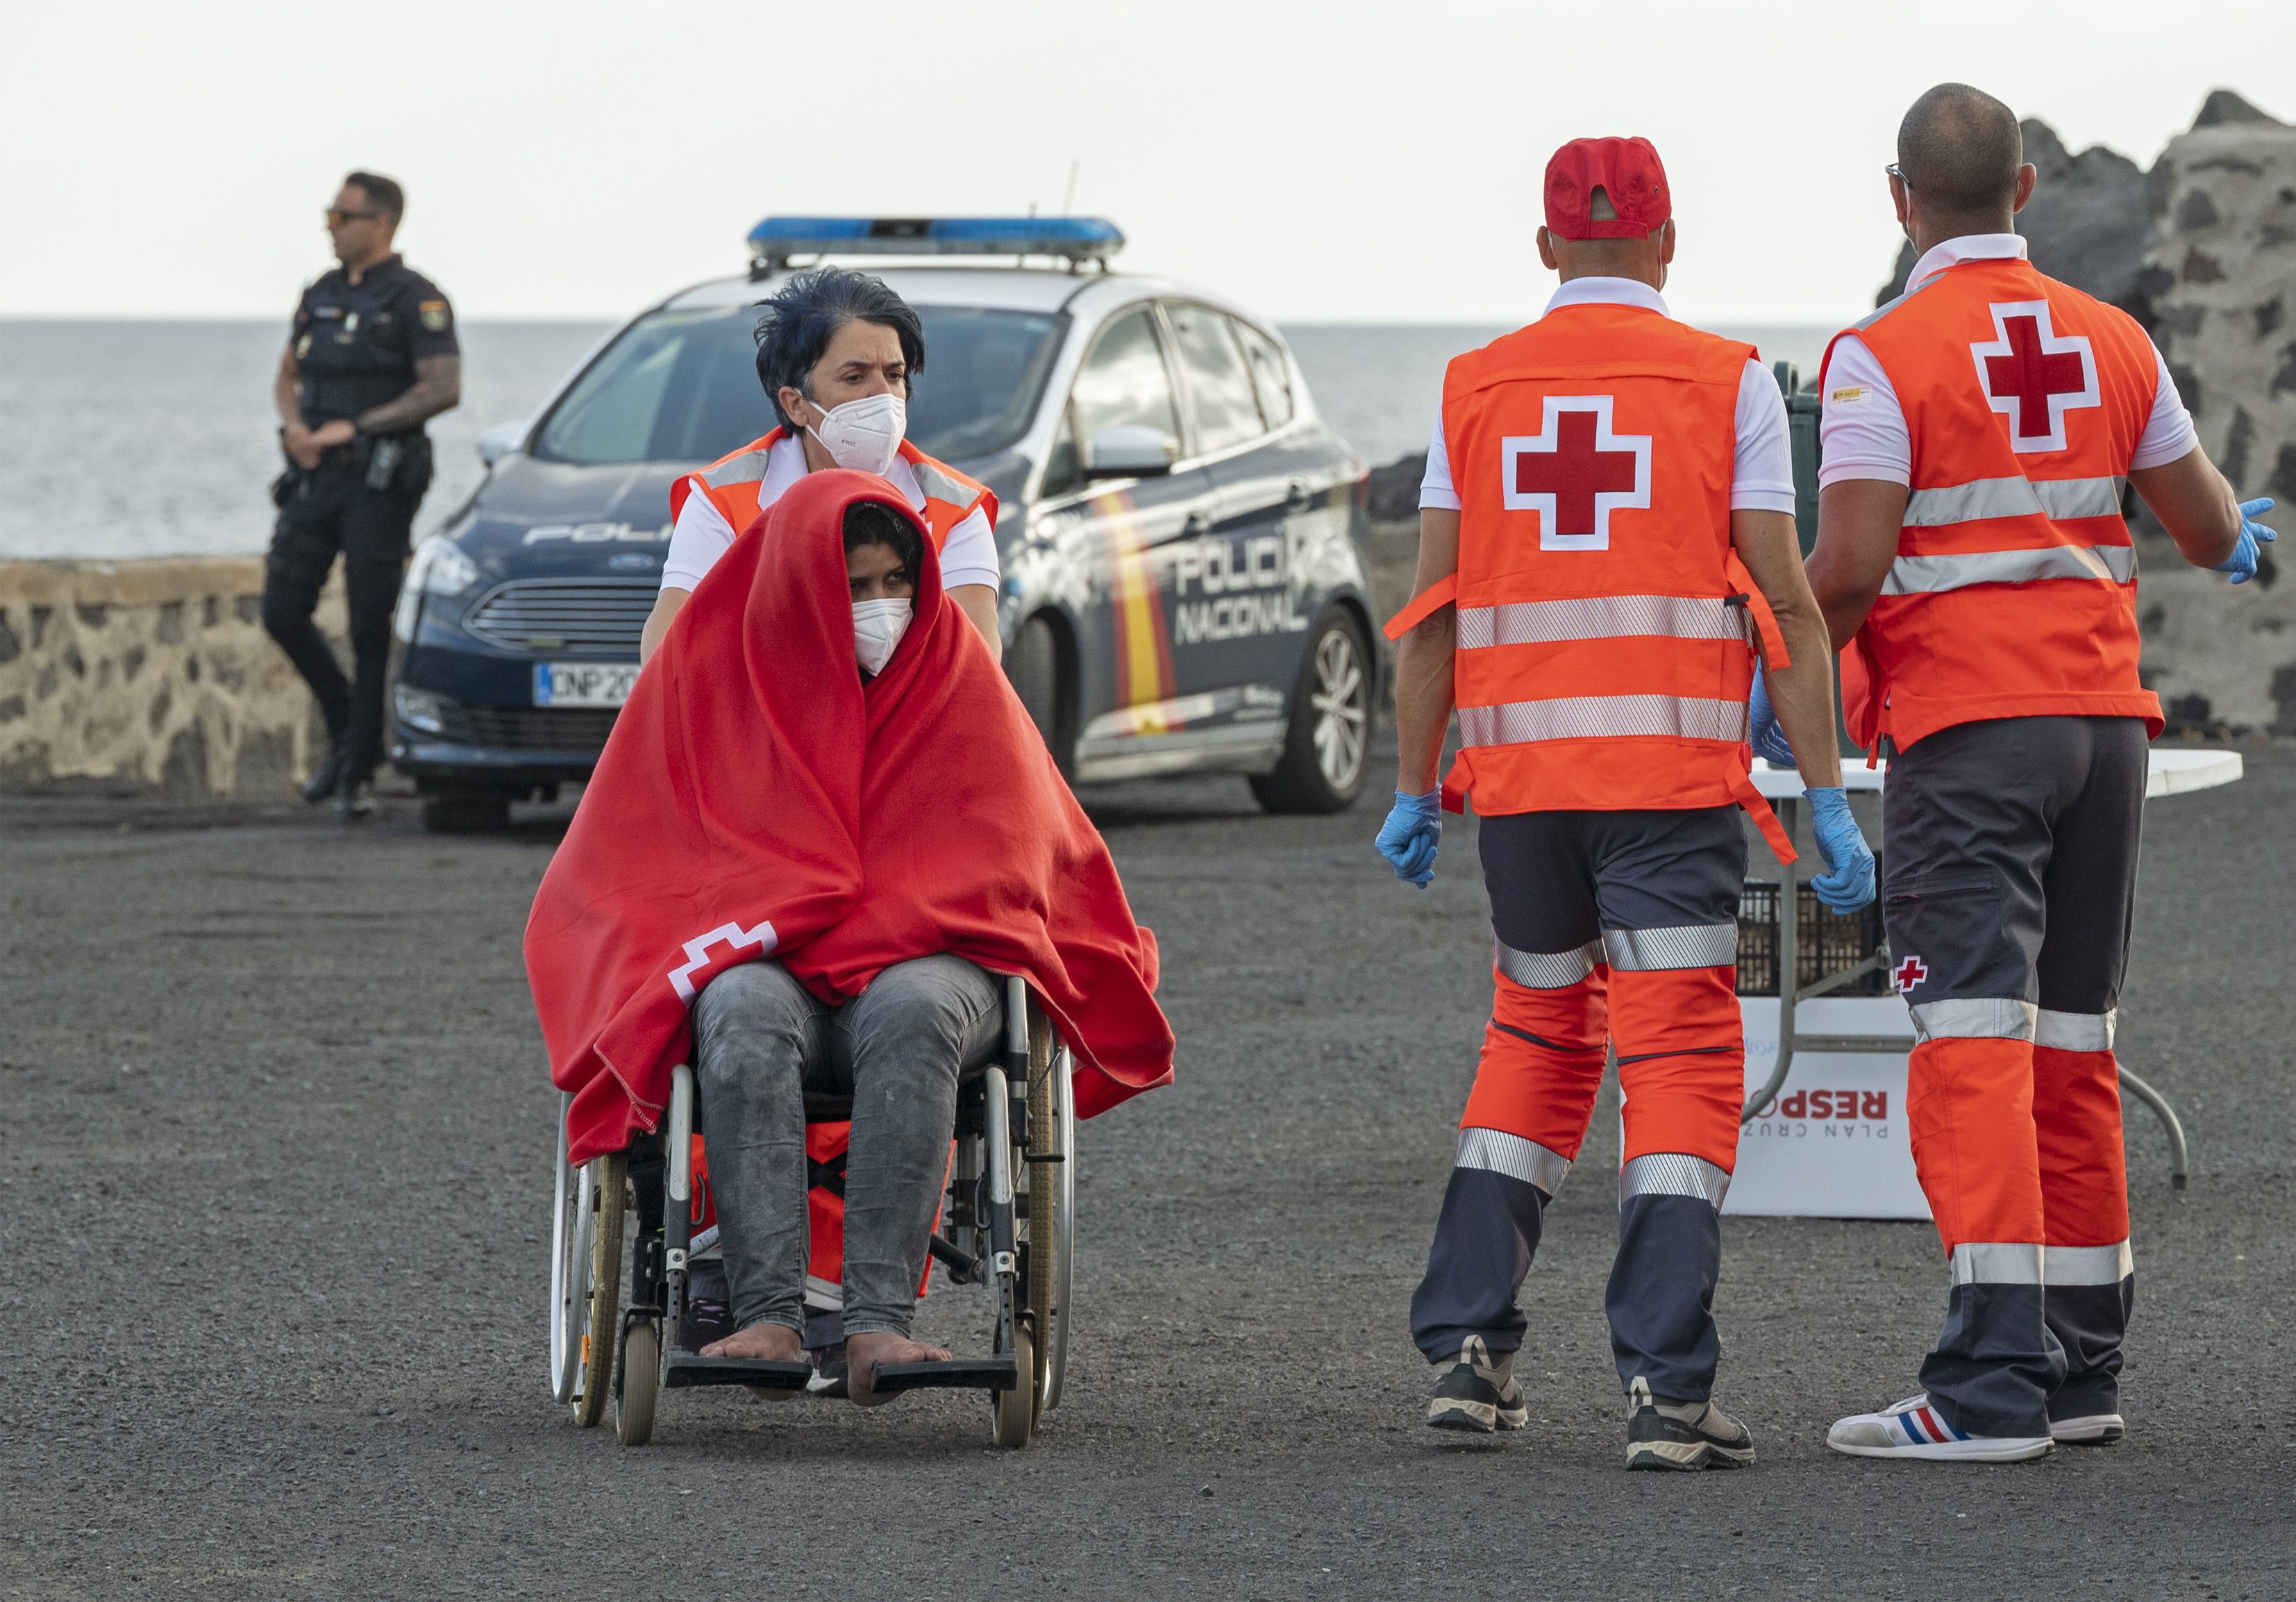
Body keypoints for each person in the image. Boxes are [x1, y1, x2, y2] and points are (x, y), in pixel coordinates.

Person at [1379, 136, 1877, 1470]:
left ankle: (1466, 1351)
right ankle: (1665, 1384)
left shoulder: (1471, 387)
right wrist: (1825, 795)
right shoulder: (1728, 384)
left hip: (1523, 793)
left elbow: (1429, 616)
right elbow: (1783, 601)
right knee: (1677, 1059)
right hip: (1666, 789)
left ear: (1545, 248)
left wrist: (1415, 787)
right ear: (1669, 243)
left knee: (1533, 1038)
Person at [1806, 84, 2274, 1463]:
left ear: (1900, 200)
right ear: (2022, 189)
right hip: (2103, 733)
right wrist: (2238, 536)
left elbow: (1843, 573)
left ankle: (1985, 1385)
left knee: (1967, 1044)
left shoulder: (1877, 357)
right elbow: (2200, 526)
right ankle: (2080, 1368)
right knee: (2073, 1045)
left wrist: (1765, 666)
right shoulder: (2114, 338)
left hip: (1967, 732)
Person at [527, 471, 1173, 1405]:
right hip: (775, 968)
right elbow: (632, 868)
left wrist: (889, 916)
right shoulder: (717, 696)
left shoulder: (961, 684)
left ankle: (877, 1326)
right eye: (852, 587)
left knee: (911, 1005)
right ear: (792, 592)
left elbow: (1020, 856)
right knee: (738, 1001)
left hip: (930, 971)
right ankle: (768, 1313)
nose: (879, 608)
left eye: (893, 584)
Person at [637, 267, 1003, 665]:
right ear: (796, 404)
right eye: (855, 377)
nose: (883, 396)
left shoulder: (954, 506)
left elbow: (971, 668)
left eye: (894, 375)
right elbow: (668, 657)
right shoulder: (724, 499)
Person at [266, 171, 460, 818]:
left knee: (369, 624)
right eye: (331, 214)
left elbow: (441, 388)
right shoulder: (319, 294)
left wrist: (359, 425)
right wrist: (295, 427)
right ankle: (349, 728)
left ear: (381, 224)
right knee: (282, 611)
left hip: (379, 478)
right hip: (315, 475)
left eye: (343, 216)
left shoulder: (416, 299)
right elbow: (288, 375)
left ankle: (356, 766)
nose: (331, 225)